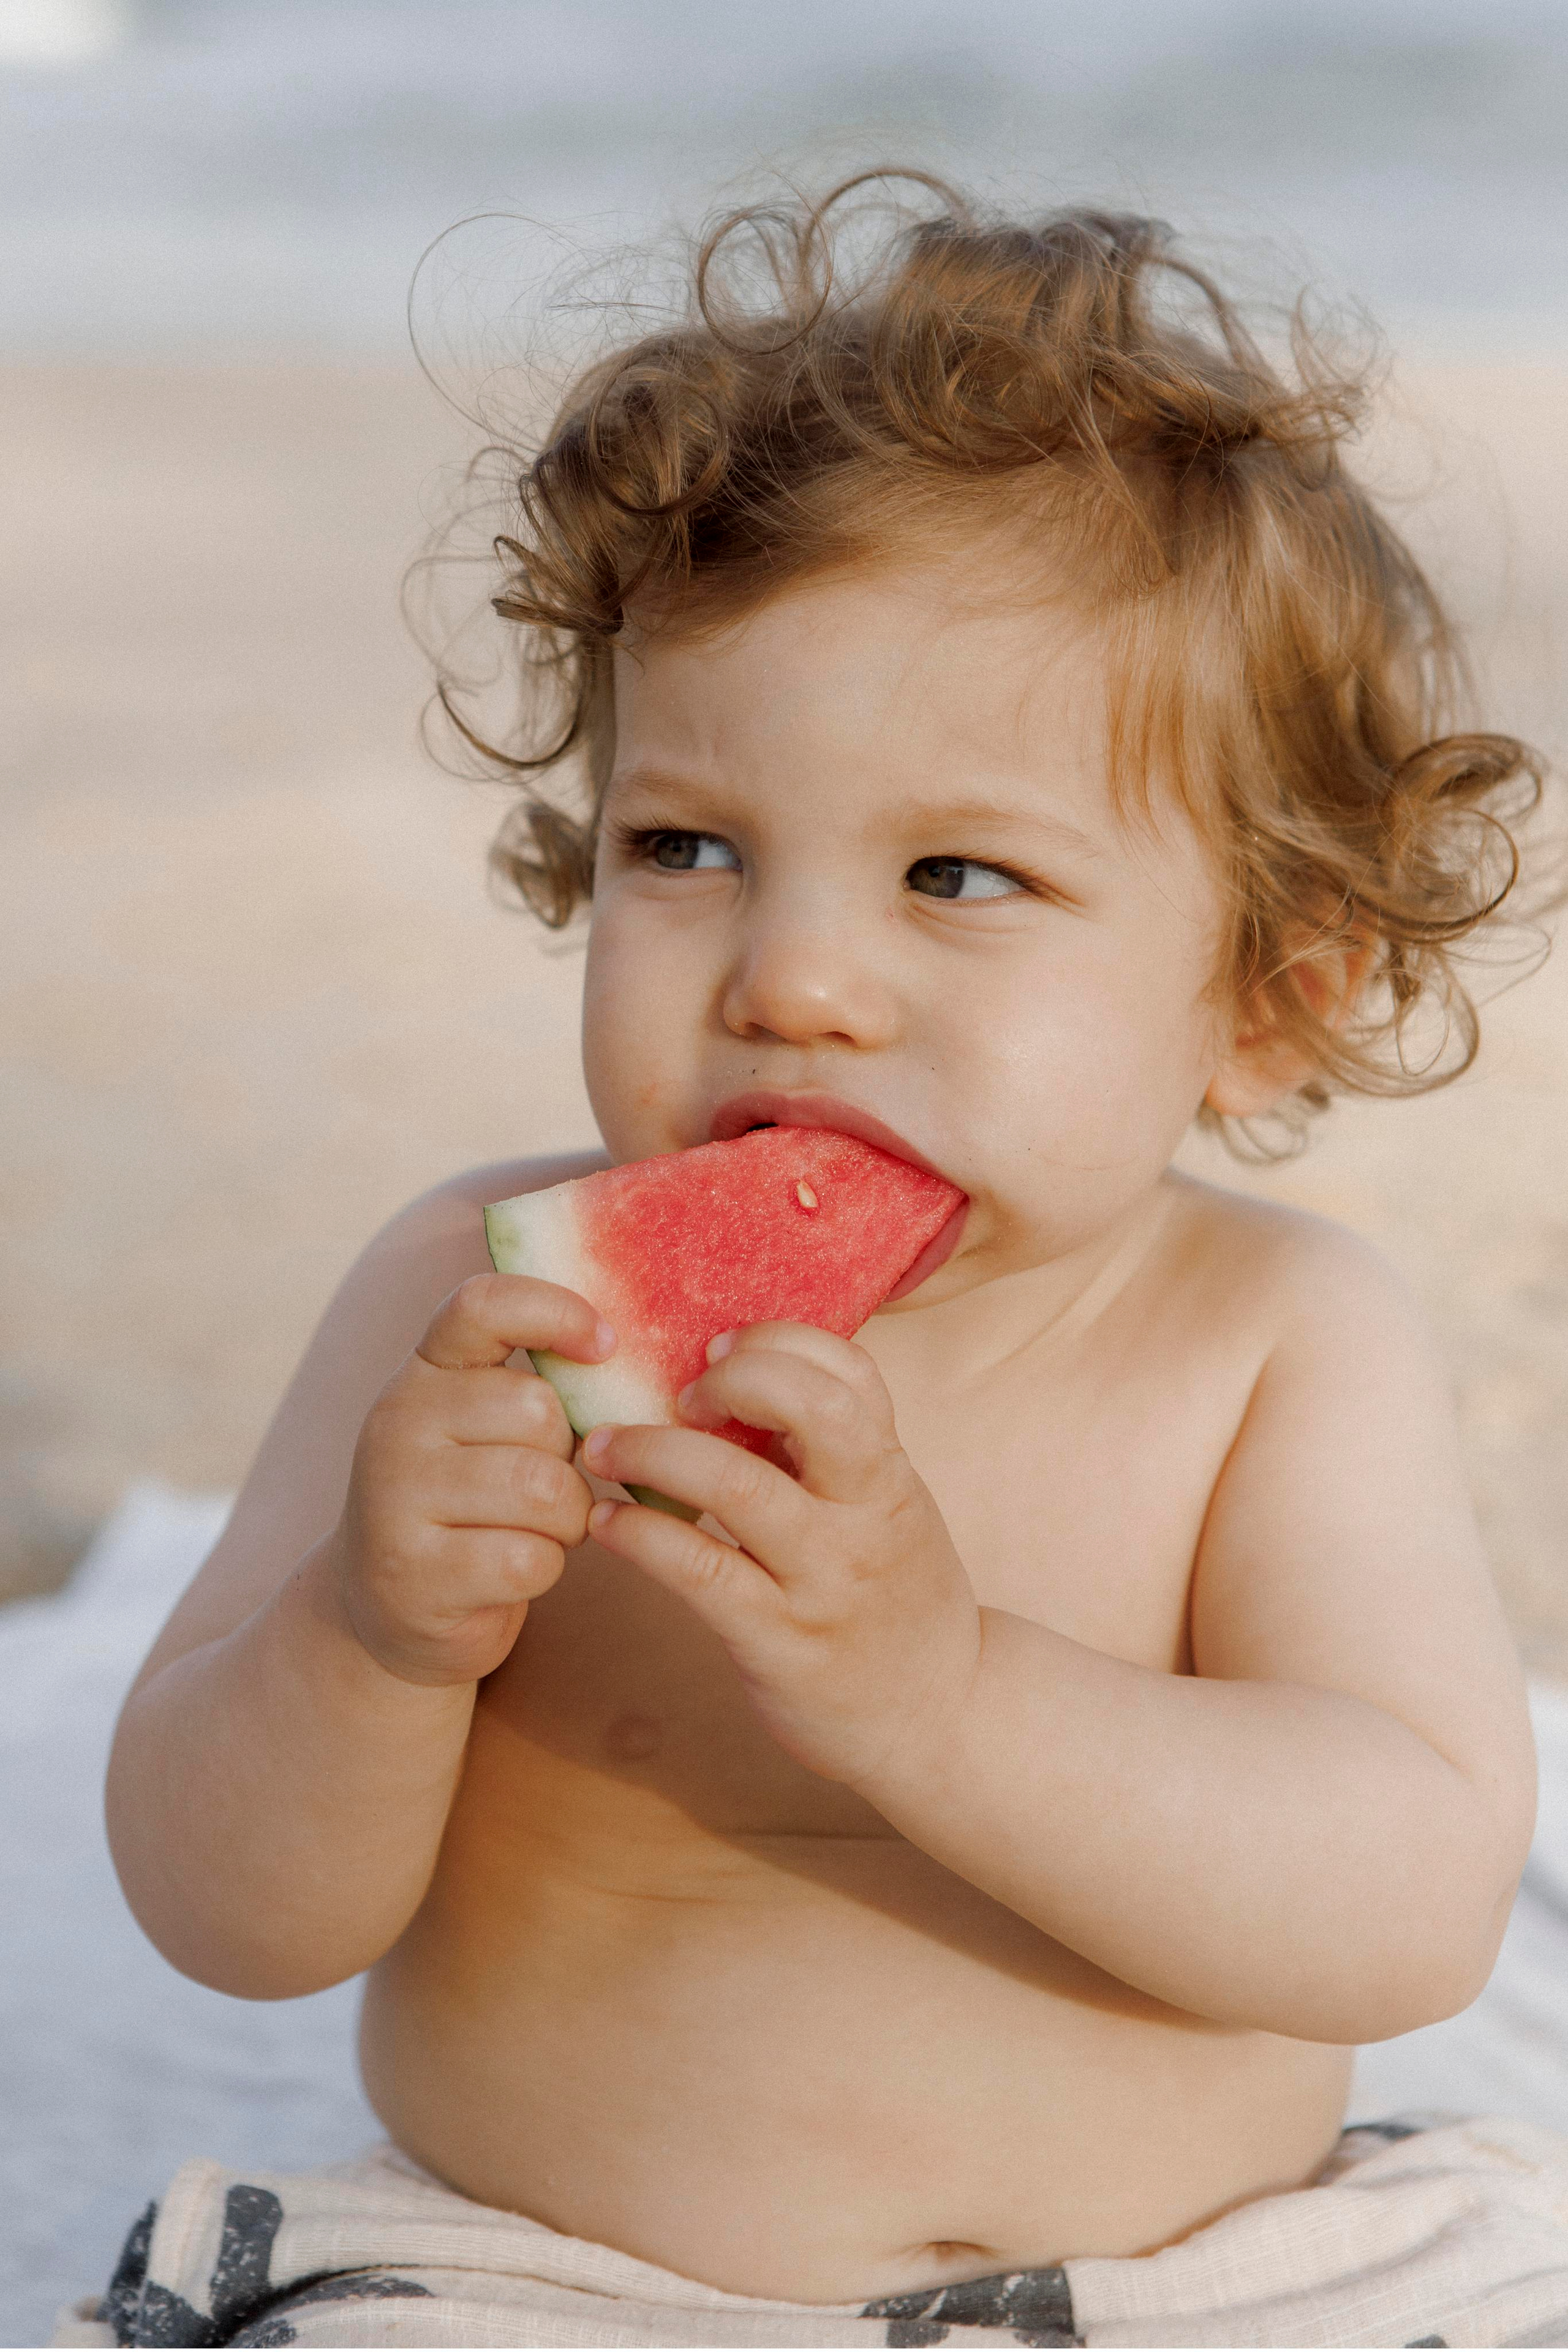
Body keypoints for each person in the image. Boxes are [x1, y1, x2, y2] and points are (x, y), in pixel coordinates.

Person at [75, 175, 1568, 2348]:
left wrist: (948, 1696)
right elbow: (230, 1916)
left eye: (957, 874)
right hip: (537, 2283)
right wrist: (367, 1643)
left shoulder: (1268, 1344)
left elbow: (1409, 1904)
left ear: (1265, 1000)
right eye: (686, 847)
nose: (795, 982)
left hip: (1208, 2293)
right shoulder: (473, 1301)